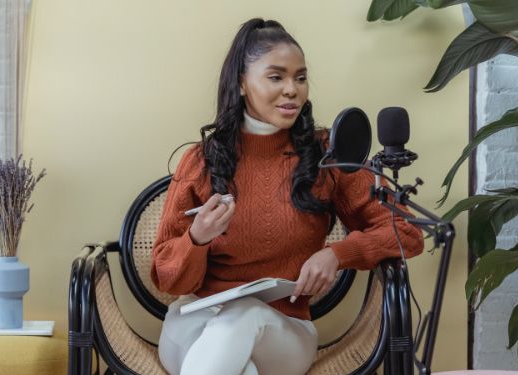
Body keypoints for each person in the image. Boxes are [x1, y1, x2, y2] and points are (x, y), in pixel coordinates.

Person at [150, 18, 425, 375]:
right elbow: (168, 278)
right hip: (193, 326)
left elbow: (408, 232)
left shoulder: (327, 154)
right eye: (276, 77)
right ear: (242, 84)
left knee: (243, 314)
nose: (292, 90)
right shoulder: (201, 161)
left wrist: (337, 254)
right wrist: (196, 238)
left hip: (284, 332)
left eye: (300, 77)